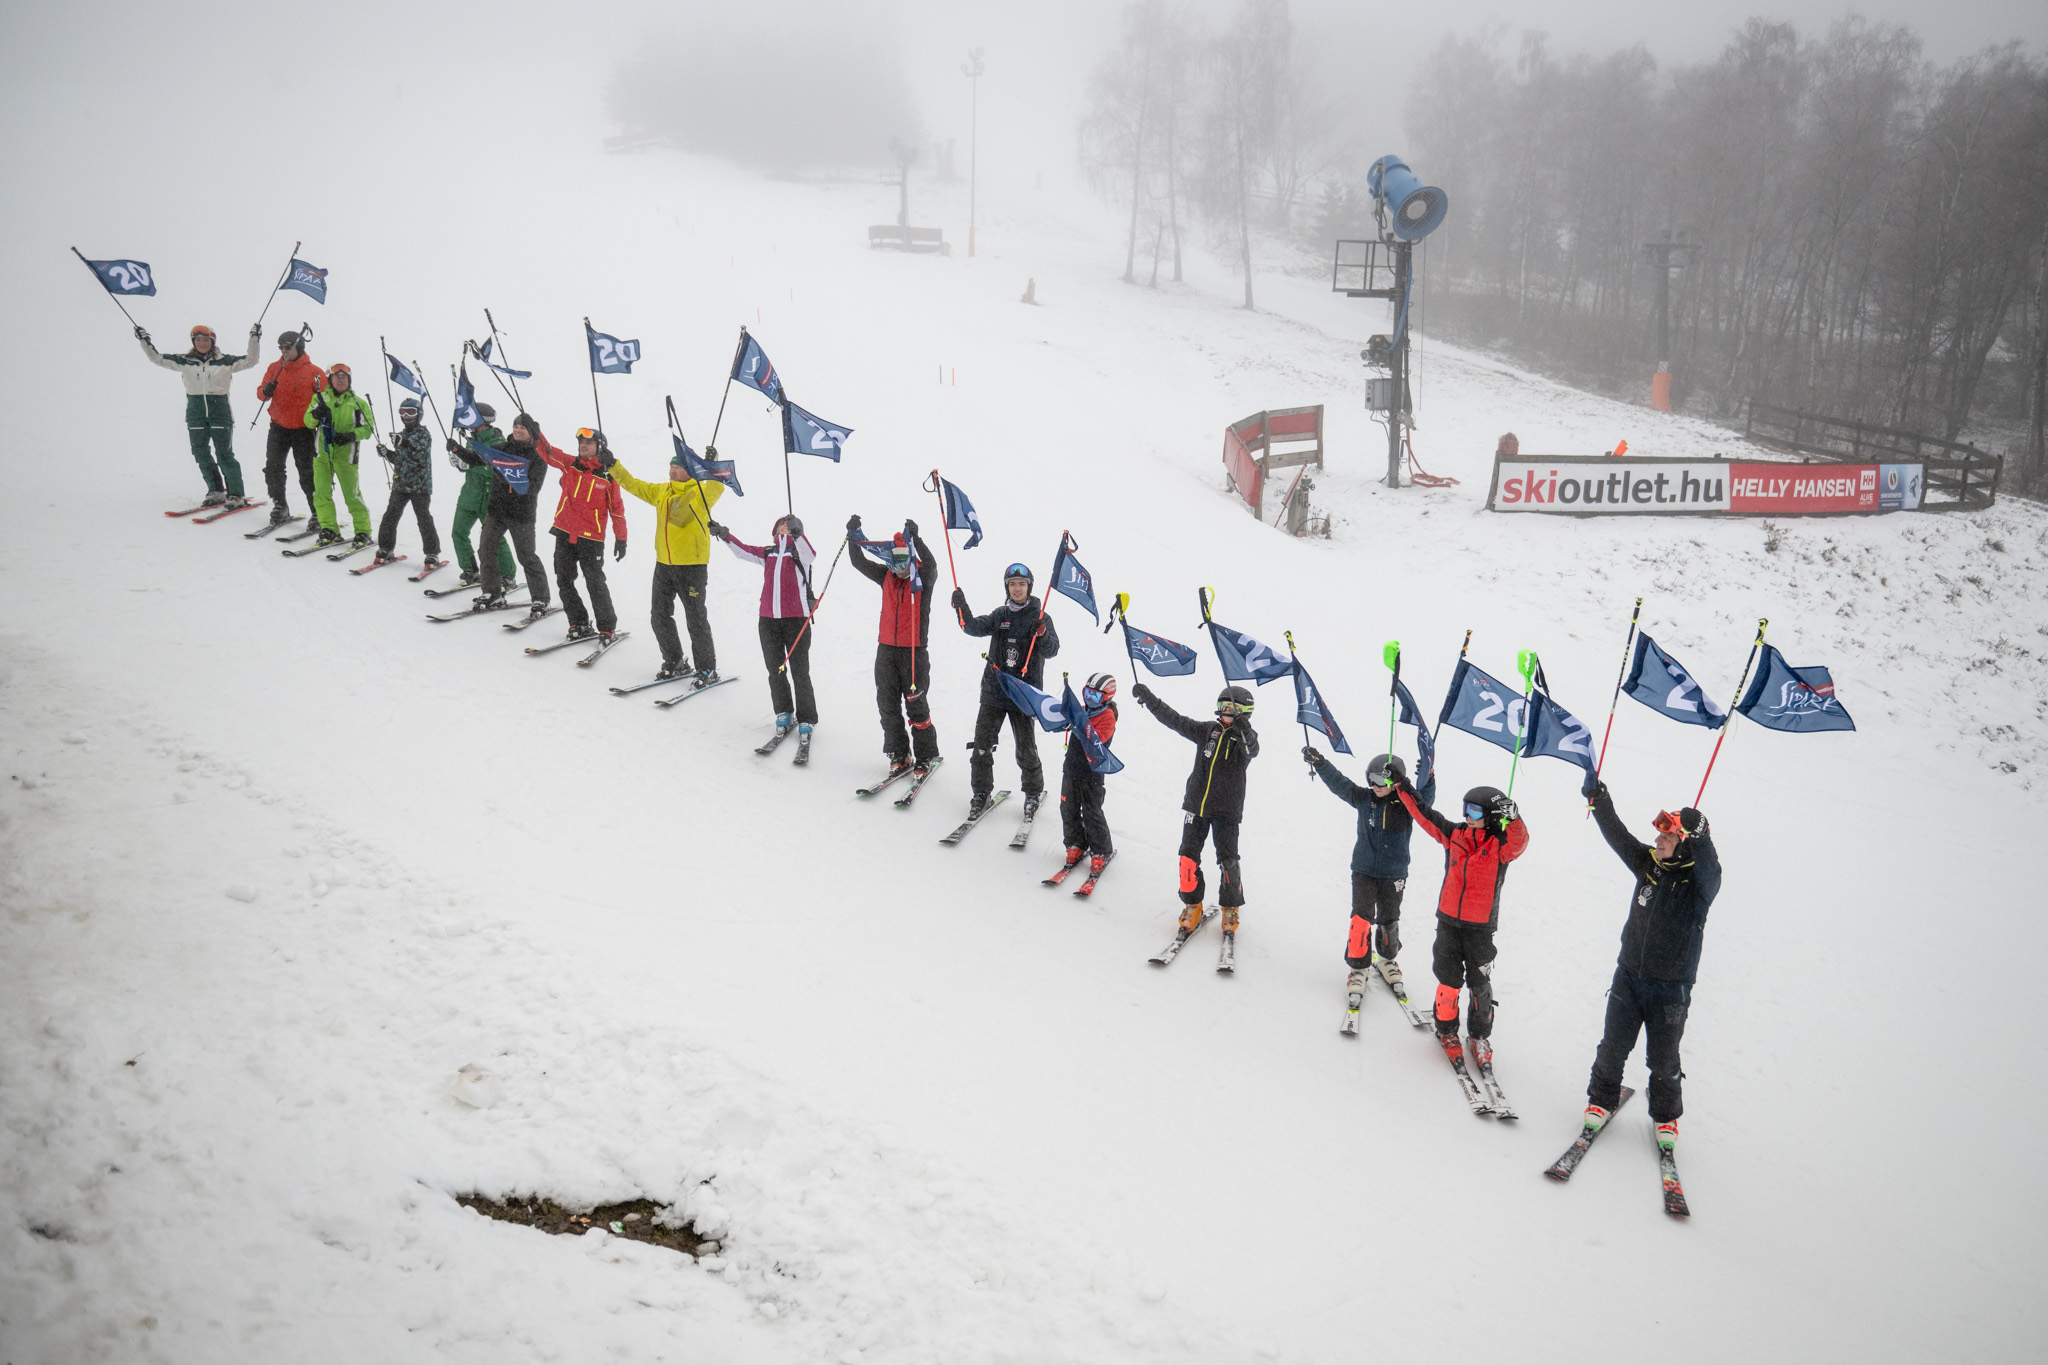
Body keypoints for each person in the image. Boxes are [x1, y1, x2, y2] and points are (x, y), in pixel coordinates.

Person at [1579, 777, 1720, 1153]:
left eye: (1666, 839)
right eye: (1657, 838)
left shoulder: (1698, 885)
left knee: (1663, 1058)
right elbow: (1618, 835)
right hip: (1628, 975)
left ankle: (1666, 1117)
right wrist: (1600, 800)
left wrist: (1702, 834)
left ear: (1683, 844)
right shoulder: (1649, 865)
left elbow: (1712, 870)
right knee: (1613, 1045)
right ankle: (1601, 1099)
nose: (1656, 842)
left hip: (1671, 987)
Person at [1392, 778, 1530, 1043]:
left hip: (1480, 928)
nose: (1467, 816)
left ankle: (1479, 1035)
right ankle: (1446, 1029)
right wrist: (1401, 785)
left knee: (1479, 983)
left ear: (1490, 816)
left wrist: (1514, 818)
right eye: (1465, 808)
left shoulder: (1500, 846)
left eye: (1475, 811)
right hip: (1448, 922)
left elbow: (1519, 842)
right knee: (1448, 979)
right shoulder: (1455, 834)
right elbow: (1424, 815)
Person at [1129, 683, 1260, 941]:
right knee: (1187, 859)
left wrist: (1244, 728)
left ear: (1244, 712)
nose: (1225, 711)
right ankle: (1192, 905)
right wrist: (1149, 698)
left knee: (1228, 861)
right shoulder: (1207, 730)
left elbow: (1252, 749)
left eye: (1231, 707)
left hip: (1226, 811)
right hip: (1196, 807)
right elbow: (1175, 720)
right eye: (1222, 706)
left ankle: (1230, 908)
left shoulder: (1244, 739)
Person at [1303, 749, 1435, 1001]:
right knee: (1361, 919)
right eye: (1370, 778)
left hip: (1394, 873)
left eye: (1381, 780)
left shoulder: (1408, 804)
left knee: (1389, 919)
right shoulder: (1364, 798)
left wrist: (1428, 775)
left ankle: (1387, 960)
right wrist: (1320, 763)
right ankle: (1358, 967)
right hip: (1363, 870)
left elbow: (1425, 799)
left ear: (1395, 781)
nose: (1374, 785)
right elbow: (1340, 783)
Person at [950, 564, 1061, 819]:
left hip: (1024, 692)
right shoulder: (1000, 614)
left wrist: (1042, 634)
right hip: (994, 689)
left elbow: (1052, 650)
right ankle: (980, 793)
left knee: (1025, 748)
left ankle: (1032, 794)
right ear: (1007, 587)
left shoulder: (1040, 615)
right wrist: (961, 607)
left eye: (1022, 584)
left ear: (1029, 586)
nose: (1017, 588)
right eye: (1012, 584)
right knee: (982, 745)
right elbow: (972, 627)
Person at [610, 447, 725, 682]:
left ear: (690, 471)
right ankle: (674, 661)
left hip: (692, 566)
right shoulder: (662, 491)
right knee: (659, 615)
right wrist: (612, 464)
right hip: (664, 564)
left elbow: (717, 486)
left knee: (695, 619)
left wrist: (710, 466)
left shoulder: (700, 493)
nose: (672, 471)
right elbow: (633, 484)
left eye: (678, 467)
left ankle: (707, 669)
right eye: (671, 466)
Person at [712, 512, 818, 740]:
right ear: (775, 530)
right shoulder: (768, 553)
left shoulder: (801, 553)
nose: (785, 527)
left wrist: (799, 535)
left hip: (796, 619)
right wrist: (725, 534)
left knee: (800, 671)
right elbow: (743, 551)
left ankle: (807, 717)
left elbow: (811, 553)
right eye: (782, 524)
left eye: (790, 526)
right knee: (775, 669)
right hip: (768, 620)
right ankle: (783, 712)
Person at [847, 517, 939, 776]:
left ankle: (925, 756)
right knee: (887, 705)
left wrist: (917, 539)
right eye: (893, 562)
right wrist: (853, 536)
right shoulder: (886, 576)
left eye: (902, 562)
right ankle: (900, 754)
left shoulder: (922, 579)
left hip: (914, 653)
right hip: (886, 651)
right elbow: (859, 562)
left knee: (916, 706)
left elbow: (932, 564)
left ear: (909, 559)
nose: (897, 568)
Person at [136, 321, 262, 506]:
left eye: (206, 340)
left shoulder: (225, 361)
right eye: (198, 340)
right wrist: (144, 340)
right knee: (200, 452)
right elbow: (157, 358)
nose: (202, 343)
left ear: (212, 342)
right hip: (195, 412)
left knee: (224, 454)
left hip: (220, 411)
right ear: (193, 342)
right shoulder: (184, 361)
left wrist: (254, 338)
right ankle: (216, 490)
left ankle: (236, 494)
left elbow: (251, 361)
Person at [533, 427, 629, 642]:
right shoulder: (570, 465)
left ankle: (607, 628)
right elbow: (548, 452)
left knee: (594, 582)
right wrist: (535, 432)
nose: (583, 446)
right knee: (564, 579)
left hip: (591, 538)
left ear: (600, 447)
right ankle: (578, 622)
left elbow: (617, 510)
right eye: (581, 442)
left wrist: (621, 538)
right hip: (565, 532)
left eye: (589, 442)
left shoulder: (608, 474)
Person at [468, 412, 552, 620]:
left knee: (526, 557)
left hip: (521, 515)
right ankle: (492, 593)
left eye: (522, 428)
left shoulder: (538, 456)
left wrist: (505, 475)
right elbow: (477, 458)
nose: (517, 430)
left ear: (531, 432)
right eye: (515, 426)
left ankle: (541, 598)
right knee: (486, 549)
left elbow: (532, 488)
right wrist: (457, 449)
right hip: (497, 510)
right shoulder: (501, 449)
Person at [255, 330, 324, 528]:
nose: (284, 351)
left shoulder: (314, 372)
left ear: (299, 348)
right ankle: (280, 505)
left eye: (288, 347)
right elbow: (261, 394)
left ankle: (317, 511)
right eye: (281, 347)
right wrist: (265, 390)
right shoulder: (274, 368)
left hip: (304, 429)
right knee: (273, 467)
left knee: (307, 472)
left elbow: (325, 398)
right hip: (278, 426)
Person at [303, 363, 375, 547]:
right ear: (330, 380)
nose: (341, 380)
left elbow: (368, 429)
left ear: (349, 380)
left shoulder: (358, 403)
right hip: (322, 455)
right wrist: (316, 414)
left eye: (344, 377)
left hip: (346, 457)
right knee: (321, 494)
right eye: (337, 377)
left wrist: (351, 435)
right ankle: (329, 528)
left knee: (352, 495)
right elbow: (308, 422)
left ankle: (363, 531)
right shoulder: (320, 398)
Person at [1056, 672, 1119, 877]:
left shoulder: (1108, 717)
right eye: (1087, 694)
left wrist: (1076, 726)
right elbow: (1064, 720)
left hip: (1092, 773)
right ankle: (1075, 843)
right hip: (1071, 768)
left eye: (1095, 696)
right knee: (1068, 807)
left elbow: (1096, 740)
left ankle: (1101, 850)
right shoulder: (1081, 711)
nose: (1090, 699)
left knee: (1092, 811)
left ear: (1107, 697)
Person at [372, 397, 442, 569]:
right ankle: (385, 548)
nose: (406, 416)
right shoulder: (401, 435)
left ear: (419, 414)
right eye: (402, 412)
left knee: (423, 518)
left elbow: (419, 454)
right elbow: (400, 460)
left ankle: (432, 553)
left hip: (420, 486)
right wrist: (387, 453)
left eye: (410, 412)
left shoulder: (424, 434)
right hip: (401, 484)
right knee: (391, 515)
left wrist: (404, 442)